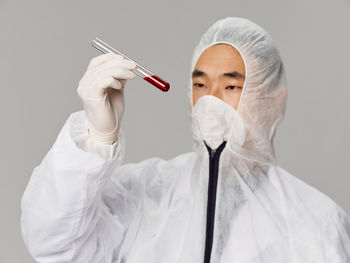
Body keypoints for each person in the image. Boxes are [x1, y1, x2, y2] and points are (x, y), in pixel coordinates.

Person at [21, 17, 350, 263]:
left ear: (273, 100)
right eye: (201, 86)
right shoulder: (149, 195)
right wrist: (97, 136)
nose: (211, 102)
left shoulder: (315, 221)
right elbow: (53, 242)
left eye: (232, 86)